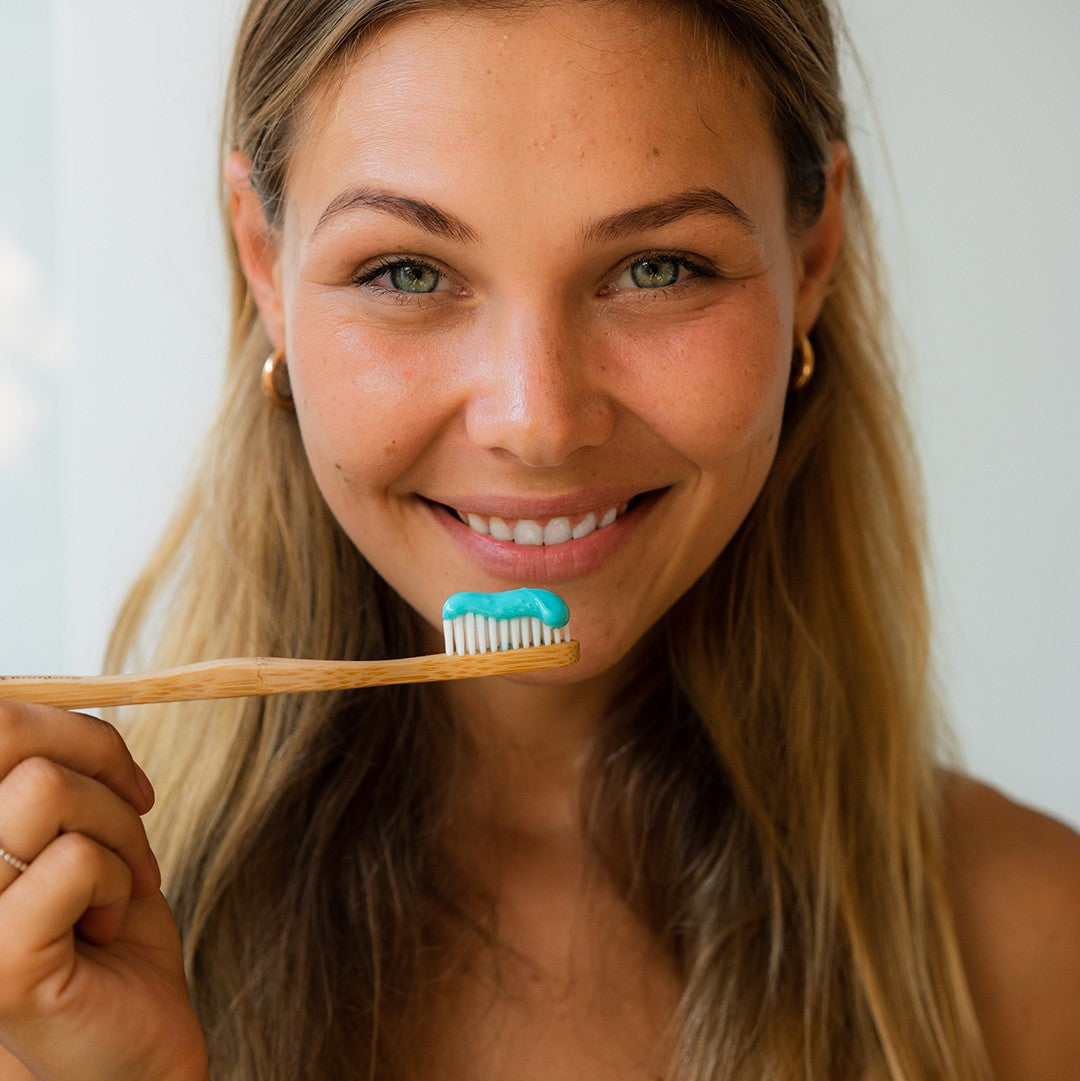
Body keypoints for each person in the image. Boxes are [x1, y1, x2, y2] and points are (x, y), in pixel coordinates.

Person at [0, 0, 1077, 1078]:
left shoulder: (1038, 948)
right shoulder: (51, 968)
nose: (538, 422)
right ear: (265, 263)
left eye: (657, 266)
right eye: (409, 272)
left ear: (816, 249)